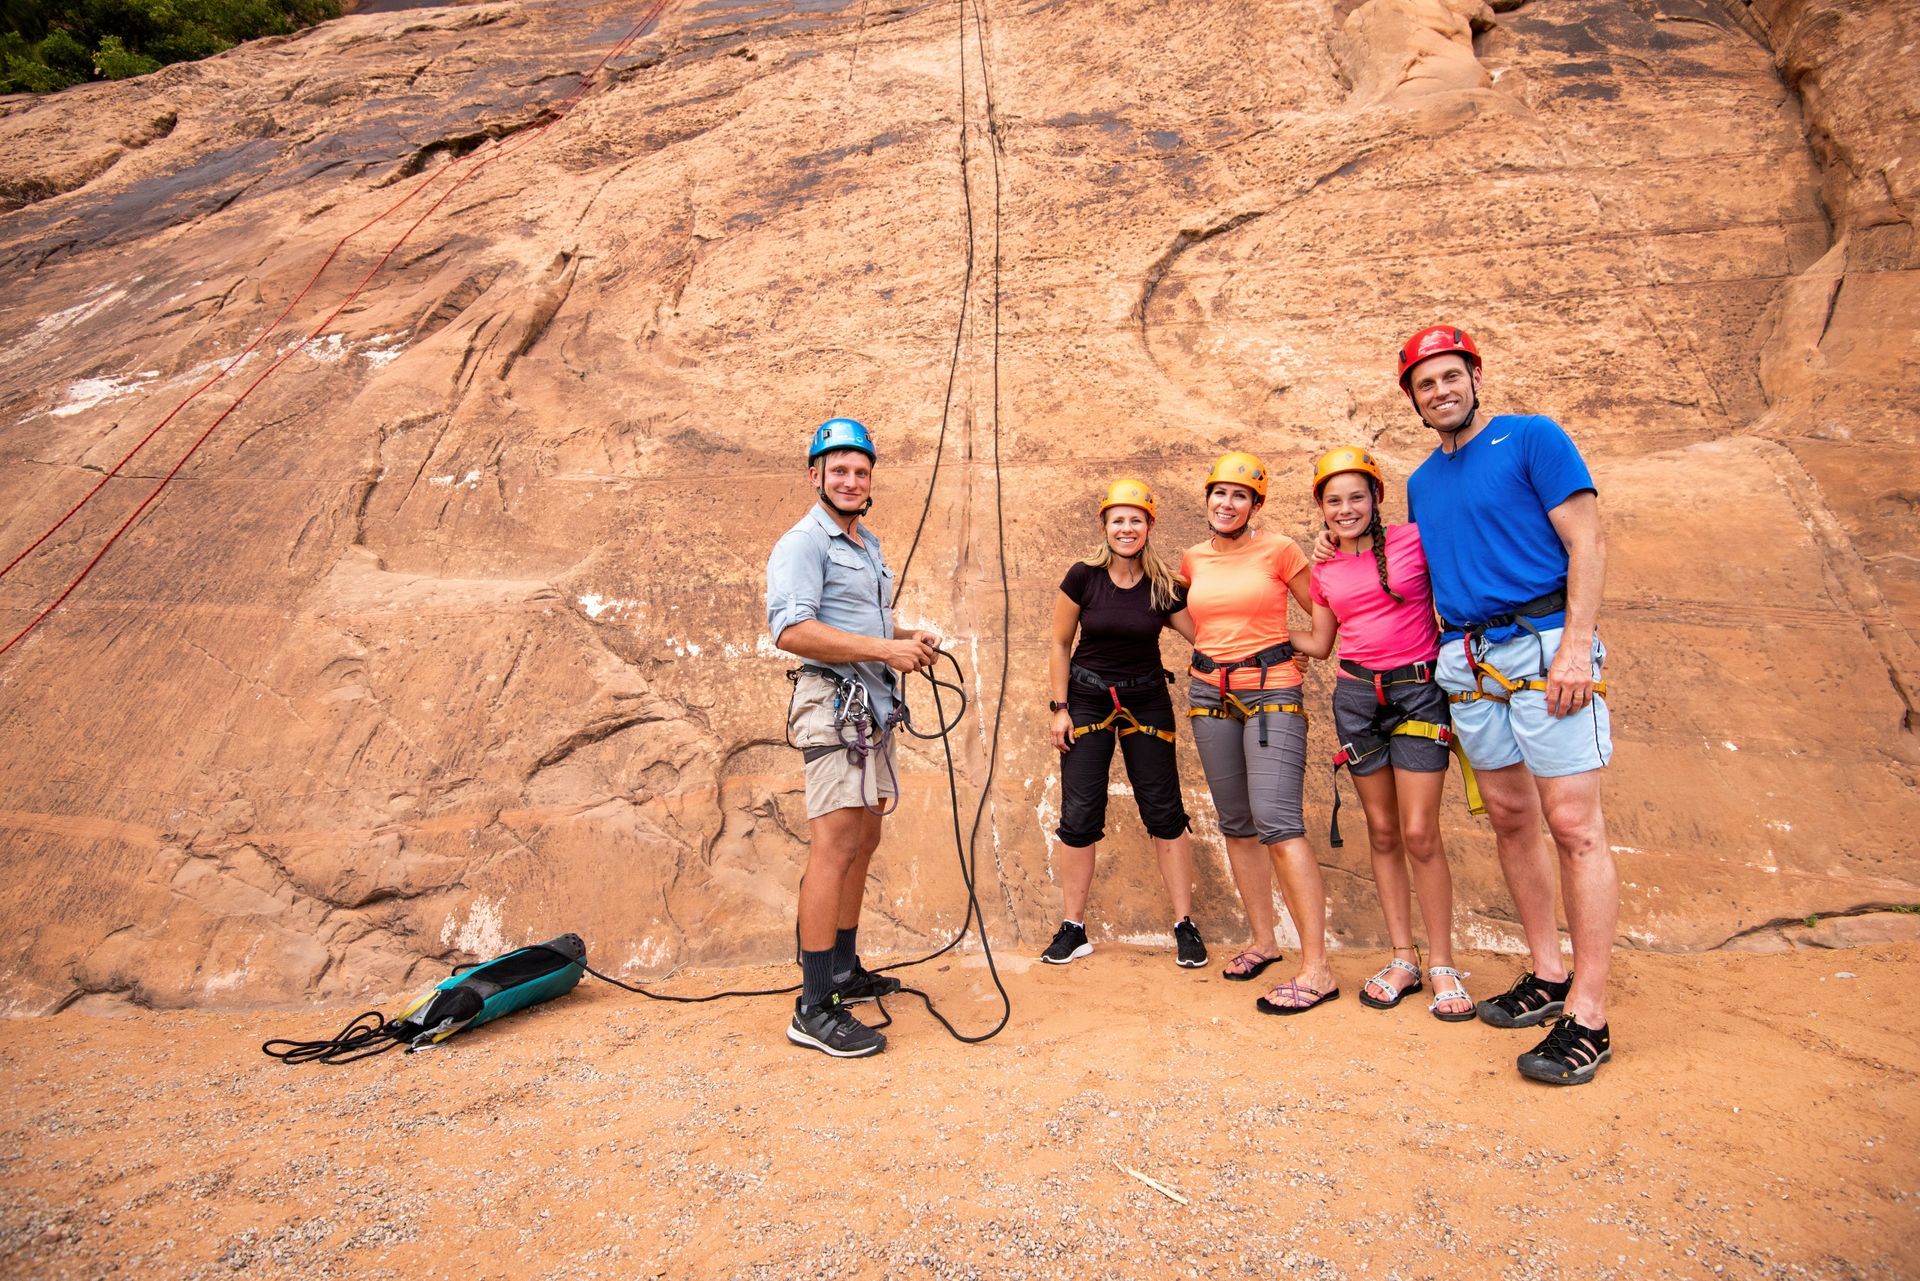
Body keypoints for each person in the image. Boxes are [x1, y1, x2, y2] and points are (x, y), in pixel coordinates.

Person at [1395, 324, 1618, 1085]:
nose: (1441, 391)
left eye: (1450, 376)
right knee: (1513, 819)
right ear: (1414, 401)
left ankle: (1589, 1016)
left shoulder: (1533, 439)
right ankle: (1549, 974)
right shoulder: (1422, 481)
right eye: (1426, 384)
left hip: (1544, 640)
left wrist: (1574, 644)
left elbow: (1585, 542)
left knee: (1573, 824)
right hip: (1468, 658)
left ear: (1474, 376)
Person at [766, 417, 942, 1059]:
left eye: (860, 470)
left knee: (863, 838)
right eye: (837, 469)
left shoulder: (865, 544)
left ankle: (842, 970)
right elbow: (791, 630)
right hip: (832, 705)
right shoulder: (802, 543)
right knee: (834, 846)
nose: (849, 479)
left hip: (870, 706)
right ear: (815, 475)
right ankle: (813, 1006)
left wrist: (908, 636)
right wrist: (883, 649)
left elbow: (871, 621)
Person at [1291, 447, 1473, 1022]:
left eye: (1356, 497)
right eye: (1334, 500)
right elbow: (1321, 644)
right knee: (1384, 831)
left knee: (1420, 832)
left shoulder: (1414, 542)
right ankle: (1404, 957)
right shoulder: (1323, 568)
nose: (1346, 509)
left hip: (1417, 691)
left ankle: (1443, 962)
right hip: (1355, 696)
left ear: (1377, 499)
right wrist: (1252, 636)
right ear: (1321, 507)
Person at [1180, 452, 1338, 1014]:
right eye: (1219, 494)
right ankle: (1264, 942)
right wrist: (1208, 653)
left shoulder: (1280, 551)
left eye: (1240, 496)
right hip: (1209, 695)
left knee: (1278, 822)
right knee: (1238, 824)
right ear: (1208, 500)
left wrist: (1290, 643)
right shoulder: (1192, 559)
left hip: (1272, 692)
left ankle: (1316, 968)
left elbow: (1322, 617)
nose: (1227, 504)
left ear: (1256, 505)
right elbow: (1191, 618)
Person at [1043, 478, 1207, 969]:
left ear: (1149, 525)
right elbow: (1059, 643)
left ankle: (1184, 924)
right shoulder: (1083, 577)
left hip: (1147, 700)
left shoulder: (1163, 587)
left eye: (1136, 519)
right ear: (1105, 525)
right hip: (1088, 701)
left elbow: (1203, 637)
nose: (1127, 527)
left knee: (1164, 811)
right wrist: (1059, 708)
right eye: (1119, 519)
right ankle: (1074, 927)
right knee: (1080, 815)